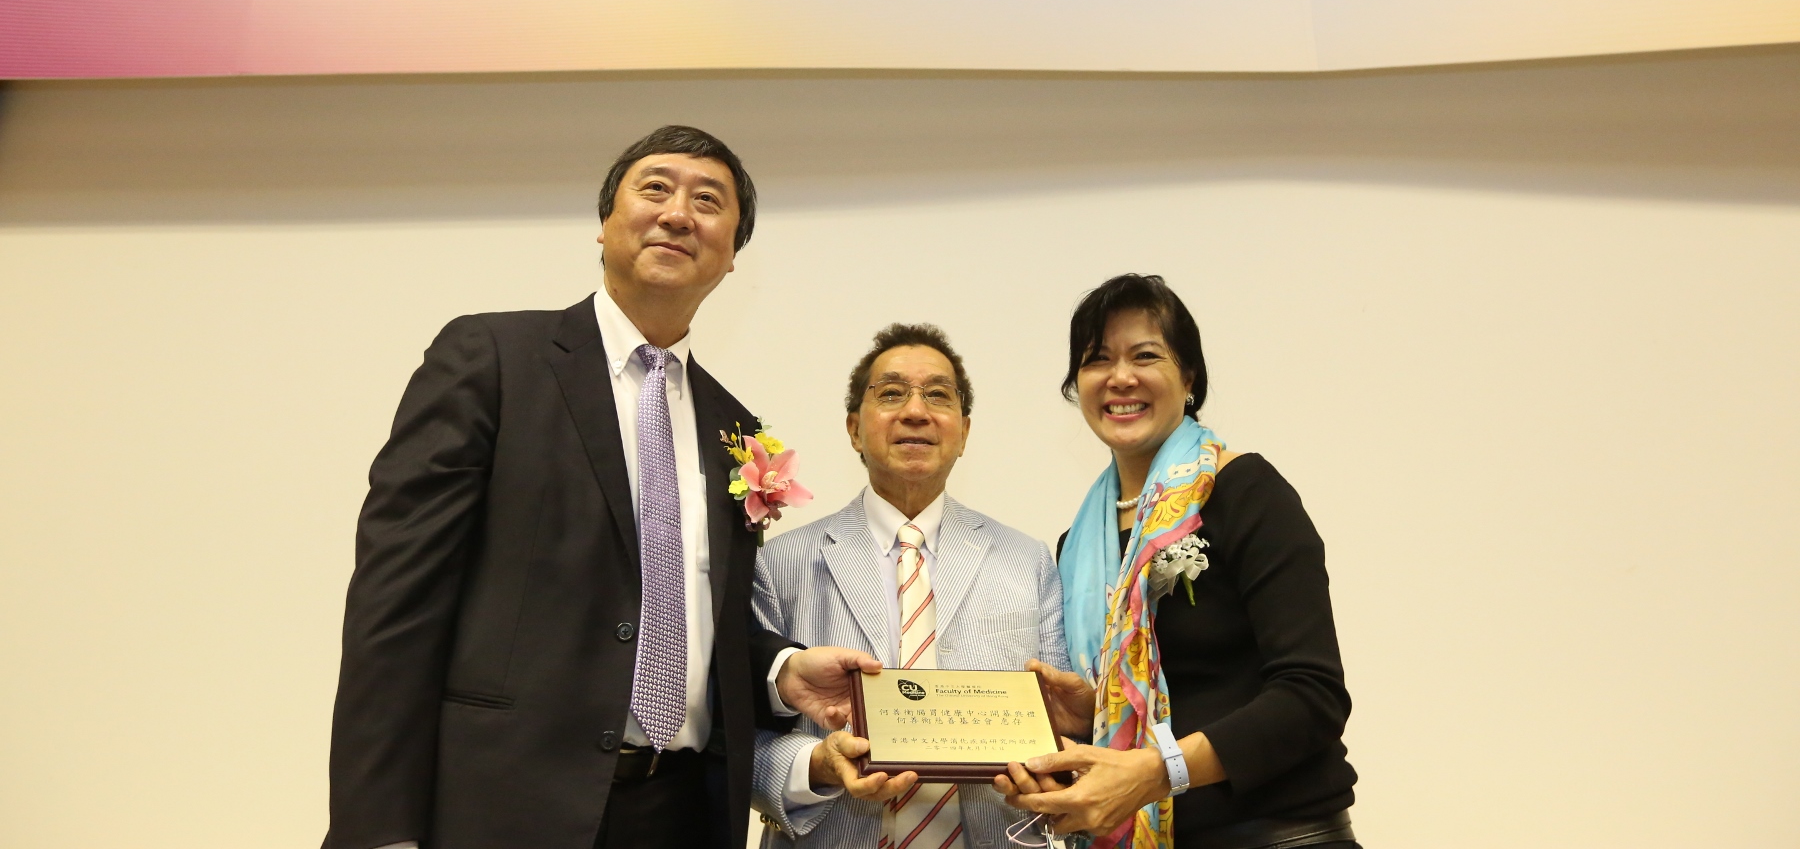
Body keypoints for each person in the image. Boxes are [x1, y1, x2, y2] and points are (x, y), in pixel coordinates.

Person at [325, 125, 880, 849]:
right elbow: (395, 609)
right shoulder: (492, 361)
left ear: (733, 254)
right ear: (605, 223)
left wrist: (780, 669)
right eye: (655, 188)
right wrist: (378, 831)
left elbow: (687, 619)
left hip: (679, 814)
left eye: (708, 201)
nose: (679, 213)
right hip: (500, 809)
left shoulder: (736, 430)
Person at [1000, 274, 1358, 849]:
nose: (1120, 377)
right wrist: (1092, 711)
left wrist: (1160, 770)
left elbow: (1311, 697)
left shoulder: (1245, 492)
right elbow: (1174, 691)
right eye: (1097, 360)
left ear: (1188, 378)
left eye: (1145, 355)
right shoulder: (1079, 543)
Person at [750, 323, 1076, 849]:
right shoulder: (782, 562)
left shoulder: (1027, 561)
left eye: (938, 396)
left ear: (964, 431)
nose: (916, 411)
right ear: (854, 429)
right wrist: (819, 766)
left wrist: (1052, 766)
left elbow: (1064, 731)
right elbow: (738, 742)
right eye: (893, 393)